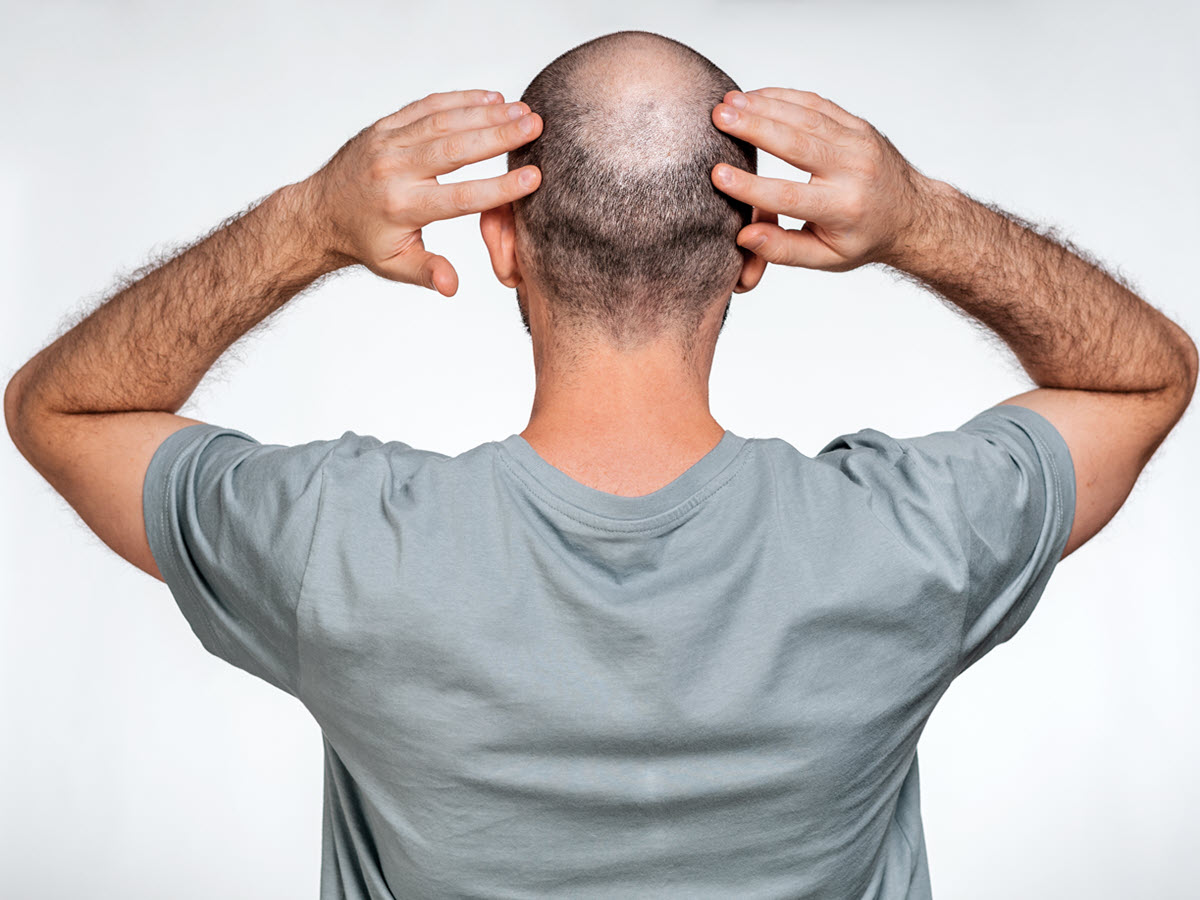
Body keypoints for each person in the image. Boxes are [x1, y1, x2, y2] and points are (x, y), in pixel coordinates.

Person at [4, 27, 1194, 900]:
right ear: (752, 258)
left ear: (502, 242)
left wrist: (308, 220)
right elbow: (1148, 376)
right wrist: (921, 215)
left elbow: (59, 410)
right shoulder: (912, 542)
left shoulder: (342, 549)